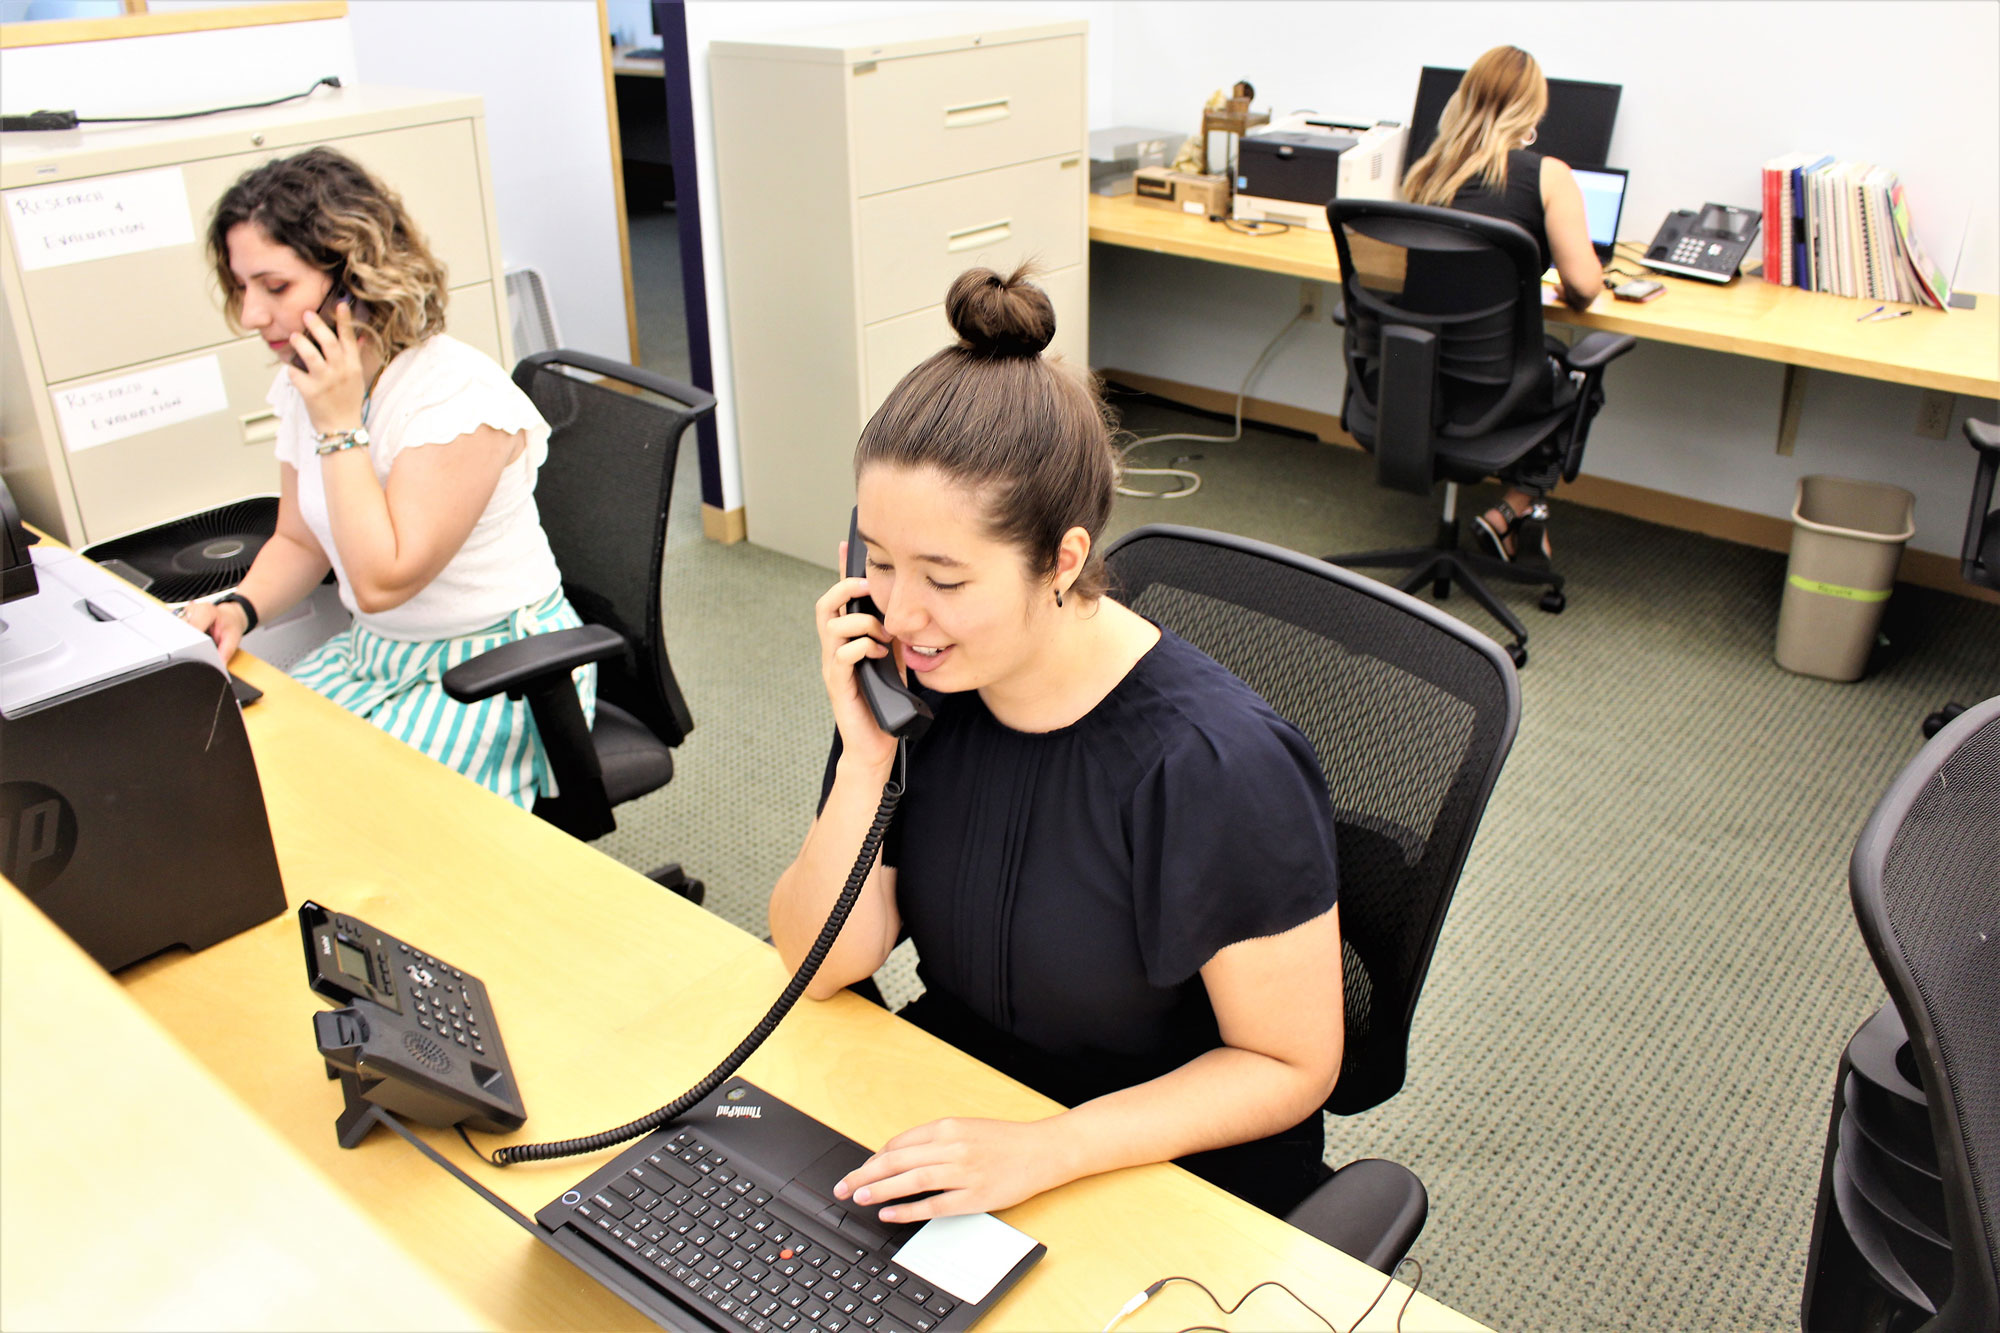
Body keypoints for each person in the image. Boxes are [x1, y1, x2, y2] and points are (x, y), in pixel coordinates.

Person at [769, 266, 1345, 1222]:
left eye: (945, 579)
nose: (902, 613)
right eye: (877, 560)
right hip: (965, 1111)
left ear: (1063, 561)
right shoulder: (917, 692)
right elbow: (819, 961)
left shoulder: (1213, 764)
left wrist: (1051, 1150)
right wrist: (866, 760)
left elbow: (1291, 1061)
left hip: (1163, 1167)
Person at [181, 147, 593, 809]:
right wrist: (239, 608)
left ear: (353, 274)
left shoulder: (453, 397)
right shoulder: (310, 385)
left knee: (356, 818)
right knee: (241, 770)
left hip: (497, 667)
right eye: (241, 288)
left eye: (275, 286)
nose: (254, 314)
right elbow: (299, 541)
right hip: (377, 657)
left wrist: (340, 424)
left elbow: (380, 580)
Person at [1402, 43, 1603, 565]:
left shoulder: (1425, 174)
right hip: (1497, 386)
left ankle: (1513, 514)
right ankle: (1514, 507)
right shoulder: (1546, 176)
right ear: (1533, 111)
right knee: (1579, 376)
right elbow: (1585, 287)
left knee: (1544, 363)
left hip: (1416, 375)